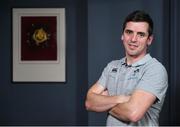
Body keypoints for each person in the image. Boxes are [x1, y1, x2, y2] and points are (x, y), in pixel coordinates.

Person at [85, 10, 168, 126]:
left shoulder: (155, 69)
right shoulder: (112, 66)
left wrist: (105, 101)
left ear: (149, 40)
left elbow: (133, 113)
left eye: (141, 34)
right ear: (122, 35)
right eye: (129, 32)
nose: (133, 39)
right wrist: (122, 98)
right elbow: (89, 102)